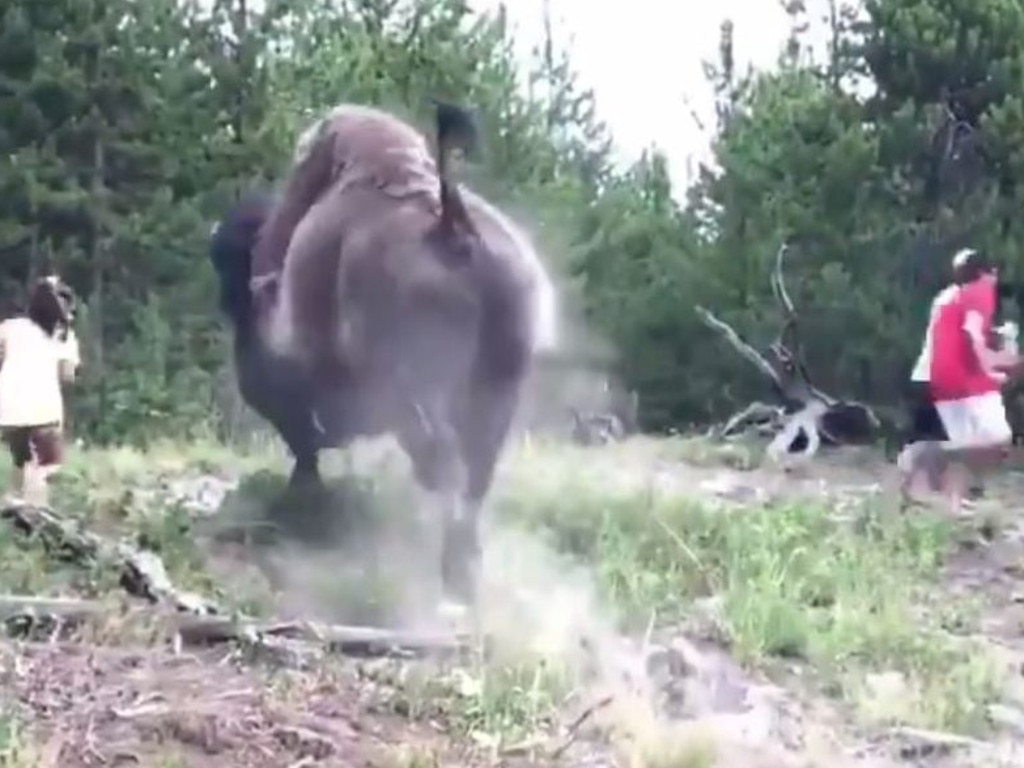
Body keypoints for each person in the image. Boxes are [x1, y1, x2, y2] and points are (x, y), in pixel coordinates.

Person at [927, 249, 1019, 512]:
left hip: (941, 380)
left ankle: (956, 498)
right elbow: (973, 336)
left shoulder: (947, 297)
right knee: (998, 438)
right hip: (966, 380)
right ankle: (928, 459)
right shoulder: (980, 290)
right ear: (988, 273)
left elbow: (960, 334)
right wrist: (992, 367)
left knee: (967, 443)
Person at [0, 276, 80, 506]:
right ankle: (36, 512)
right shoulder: (63, 335)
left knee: (21, 461)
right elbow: (67, 376)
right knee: (47, 464)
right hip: (44, 410)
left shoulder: (11, 327)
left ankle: (13, 507)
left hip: (8, 409)